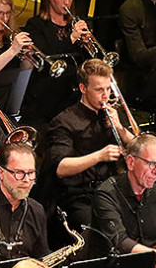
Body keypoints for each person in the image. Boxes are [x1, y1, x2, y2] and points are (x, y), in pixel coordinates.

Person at [47, 58, 134, 227]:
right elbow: (60, 168)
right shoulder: (64, 121)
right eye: (99, 90)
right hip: (79, 195)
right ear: (83, 88)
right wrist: (99, 156)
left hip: (112, 188)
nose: (105, 95)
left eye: (108, 89)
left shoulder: (113, 113)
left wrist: (120, 128)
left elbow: (140, 149)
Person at [90, 133, 156, 256]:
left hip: (155, 265)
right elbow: (119, 241)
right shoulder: (106, 194)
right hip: (117, 267)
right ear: (131, 162)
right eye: (151, 164)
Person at [22, 0, 90, 124]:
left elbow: (88, 60)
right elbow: (47, 58)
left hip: (73, 81)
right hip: (48, 85)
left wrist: (86, 44)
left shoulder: (75, 23)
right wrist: (71, 39)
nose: (67, 2)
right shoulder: (36, 25)